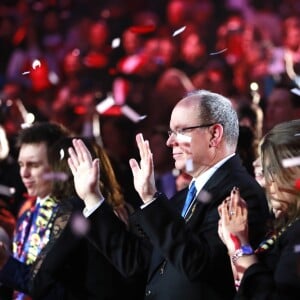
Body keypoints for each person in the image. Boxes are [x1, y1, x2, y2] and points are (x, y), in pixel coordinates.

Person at [67, 89, 270, 299]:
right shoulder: (184, 197)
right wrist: (92, 198)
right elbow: (136, 262)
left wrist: (150, 198)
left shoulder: (240, 193)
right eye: (171, 132)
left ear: (214, 135)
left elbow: (199, 266)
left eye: (181, 131)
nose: (169, 142)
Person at [0, 136, 146, 300]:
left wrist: (5, 262)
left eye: (37, 165)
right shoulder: (125, 208)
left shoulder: (73, 210)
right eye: (21, 165)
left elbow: (40, 281)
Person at [218, 119, 300, 299]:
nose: (267, 182)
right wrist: (234, 245)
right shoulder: (284, 225)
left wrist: (240, 245)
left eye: (271, 170)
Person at [3, 122, 70, 300]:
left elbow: (57, 289)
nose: (24, 173)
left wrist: (5, 263)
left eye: (33, 165)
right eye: (21, 164)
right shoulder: (26, 216)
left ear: (57, 165)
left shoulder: (70, 218)